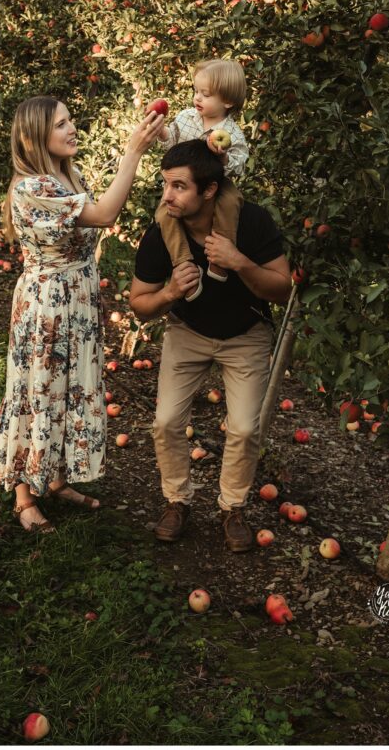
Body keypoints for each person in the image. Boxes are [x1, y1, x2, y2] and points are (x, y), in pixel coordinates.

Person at [0, 95, 164, 533]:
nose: (72, 129)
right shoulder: (32, 188)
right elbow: (105, 214)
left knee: (69, 390)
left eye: (71, 119)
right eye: (61, 124)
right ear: (36, 137)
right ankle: (24, 496)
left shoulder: (67, 176)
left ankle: (56, 478)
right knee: (39, 391)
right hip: (48, 307)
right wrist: (133, 153)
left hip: (78, 301)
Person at [129, 139, 292, 552]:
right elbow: (139, 304)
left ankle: (232, 507)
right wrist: (168, 294)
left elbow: (283, 290)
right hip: (188, 331)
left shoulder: (252, 222)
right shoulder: (162, 231)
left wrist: (238, 261)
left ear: (209, 189)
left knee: (243, 427)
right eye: (165, 184)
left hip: (245, 335)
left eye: (179, 187)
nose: (167, 196)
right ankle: (176, 500)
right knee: (165, 422)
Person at [156, 59, 248, 298]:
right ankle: (183, 262)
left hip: (218, 183)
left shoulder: (232, 133)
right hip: (183, 183)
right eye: (196, 91)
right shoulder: (187, 117)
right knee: (163, 214)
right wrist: (161, 130)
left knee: (230, 203)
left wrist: (224, 157)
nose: (197, 98)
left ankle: (219, 256)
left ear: (227, 101)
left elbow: (239, 165)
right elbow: (171, 138)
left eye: (205, 94)